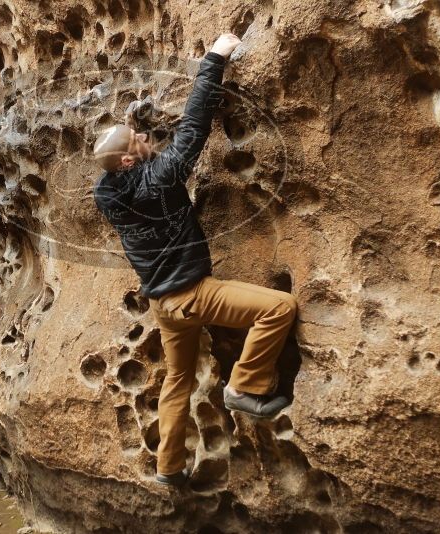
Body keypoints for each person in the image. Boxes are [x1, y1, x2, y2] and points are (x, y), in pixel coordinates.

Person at [92, 33, 298, 487]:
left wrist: (132, 141)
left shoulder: (106, 193)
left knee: (177, 381)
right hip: (193, 295)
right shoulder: (160, 179)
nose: (145, 139)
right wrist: (214, 59)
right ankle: (246, 387)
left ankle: (168, 468)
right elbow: (193, 130)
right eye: (137, 140)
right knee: (279, 308)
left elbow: (125, 160)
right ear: (129, 160)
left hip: (163, 308)